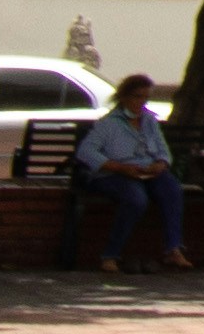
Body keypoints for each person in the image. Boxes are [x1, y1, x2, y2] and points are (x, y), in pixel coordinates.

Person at [66, 76, 183, 273]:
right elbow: (86, 151)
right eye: (137, 97)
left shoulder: (149, 121)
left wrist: (161, 164)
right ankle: (110, 255)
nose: (141, 102)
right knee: (136, 199)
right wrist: (118, 167)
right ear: (124, 97)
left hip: (146, 171)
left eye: (145, 97)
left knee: (171, 189)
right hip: (116, 174)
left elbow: (163, 150)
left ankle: (173, 249)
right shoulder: (109, 124)